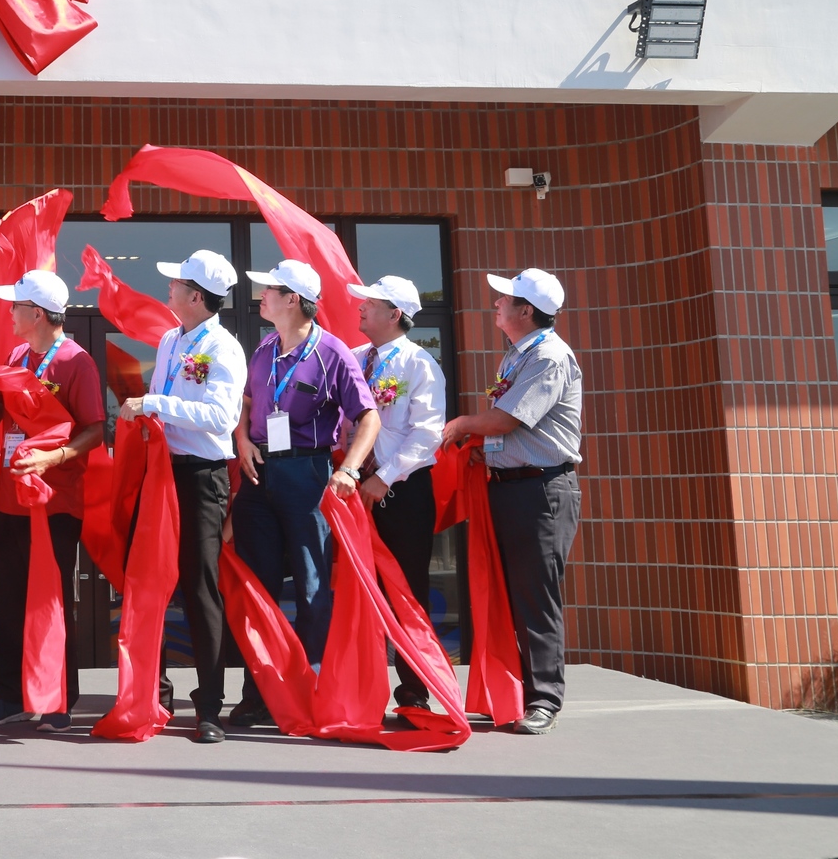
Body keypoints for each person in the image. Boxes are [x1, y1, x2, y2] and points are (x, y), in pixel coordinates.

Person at [230, 259, 379, 729]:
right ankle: (259, 693)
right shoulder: (264, 349)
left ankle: (315, 688)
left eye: (268, 290)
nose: (261, 297)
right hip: (259, 474)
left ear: (292, 298)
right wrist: (241, 440)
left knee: (313, 588)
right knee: (258, 587)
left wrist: (350, 471)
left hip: (308, 474)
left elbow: (368, 417)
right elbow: (249, 403)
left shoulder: (334, 352)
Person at [442, 268, 582, 736]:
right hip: (509, 487)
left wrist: (463, 425)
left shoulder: (549, 356)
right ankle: (516, 692)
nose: (496, 304)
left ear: (527, 311)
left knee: (536, 597)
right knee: (509, 594)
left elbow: (506, 421)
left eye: (505, 299)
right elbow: (508, 432)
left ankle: (545, 699)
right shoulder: (516, 355)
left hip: (541, 491)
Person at [116, 249, 247, 744]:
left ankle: (210, 705)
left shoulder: (225, 348)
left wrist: (154, 404)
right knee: (149, 580)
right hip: (162, 472)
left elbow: (221, 419)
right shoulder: (172, 339)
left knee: (199, 588)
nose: (167, 289)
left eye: (175, 283)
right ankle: (156, 691)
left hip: (200, 476)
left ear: (196, 296)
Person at [0, 270, 105, 733]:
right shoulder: (16, 355)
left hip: (56, 498)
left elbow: (94, 429)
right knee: (5, 599)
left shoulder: (76, 362)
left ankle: (58, 697)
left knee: (50, 599)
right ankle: (9, 693)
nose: (9, 312)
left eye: (16, 306)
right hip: (11, 496)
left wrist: (55, 457)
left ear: (38, 314)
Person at [346, 274, 447, 715]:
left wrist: (383, 476)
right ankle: (357, 691)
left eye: (371, 303)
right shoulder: (353, 357)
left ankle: (414, 693)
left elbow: (427, 435)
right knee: (357, 593)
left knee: (407, 593)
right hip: (353, 489)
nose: (361, 308)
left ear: (395, 314)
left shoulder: (418, 363)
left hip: (401, 491)